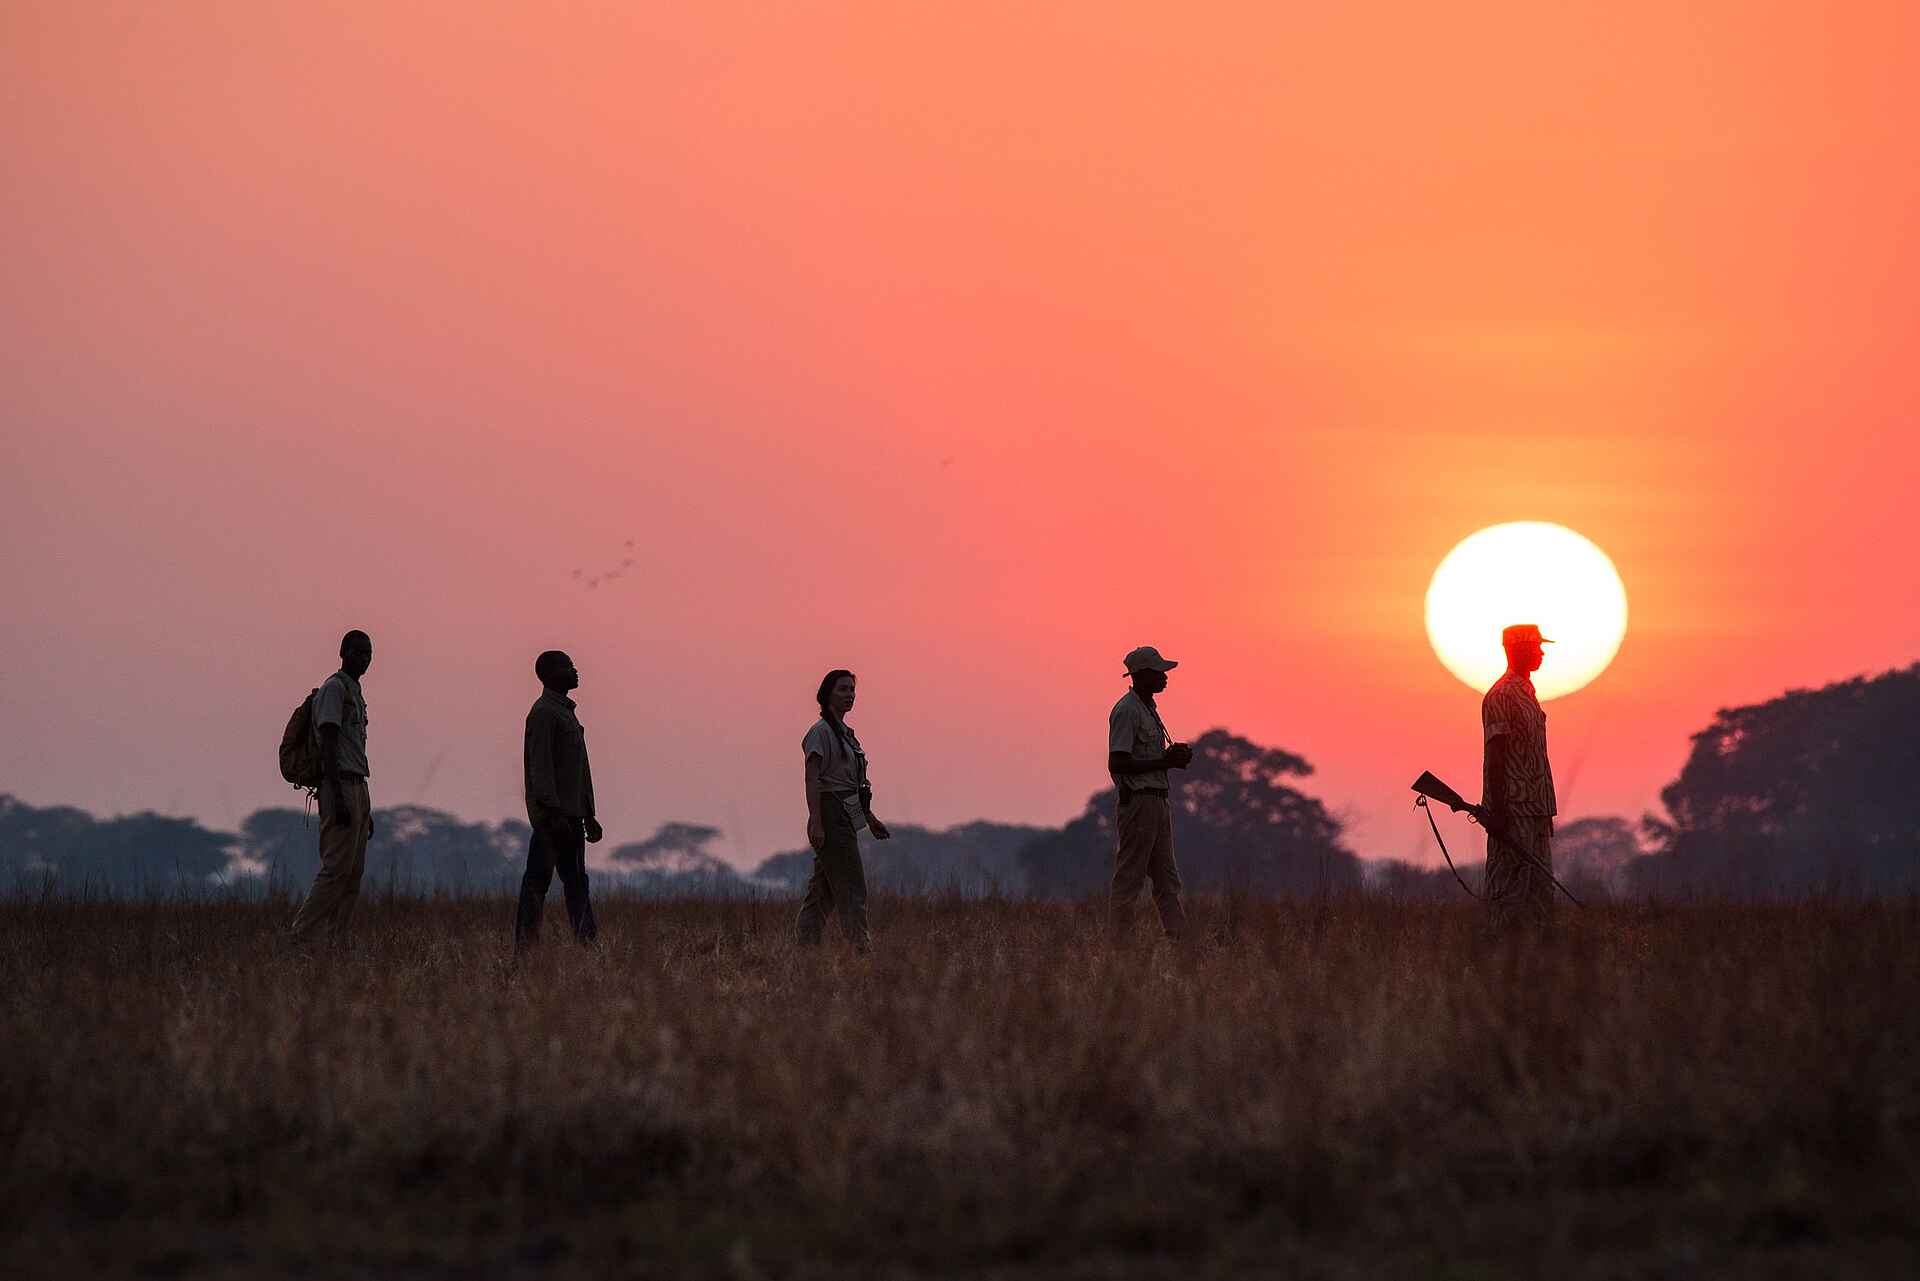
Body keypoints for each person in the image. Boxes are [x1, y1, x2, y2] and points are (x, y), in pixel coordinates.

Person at [289, 630, 375, 945]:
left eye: (368, 654)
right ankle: (301, 936)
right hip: (338, 786)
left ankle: (337, 942)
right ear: (342, 652)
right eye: (358, 652)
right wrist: (338, 797)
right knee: (335, 869)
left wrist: (366, 806)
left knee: (353, 874)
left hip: (358, 787)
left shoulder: (356, 691)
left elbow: (355, 750)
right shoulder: (334, 689)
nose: (364, 659)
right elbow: (327, 742)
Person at [796, 669, 891, 951]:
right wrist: (816, 820)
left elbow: (853, 785)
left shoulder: (846, 734)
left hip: (847, 811)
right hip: (830, 812)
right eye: (842, 689)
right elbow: (813, 778)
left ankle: (805, 952)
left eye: (852, 689)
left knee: (822, 892)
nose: (849, 695)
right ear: (827, 695)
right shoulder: (820, 733)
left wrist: (869, 819)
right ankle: (860, 951)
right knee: (852, 887)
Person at [515, 650, 602, 948]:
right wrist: (553, 816)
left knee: (578, 884)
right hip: (553, 821)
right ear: (550, 673)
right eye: (568, 666)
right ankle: (526, 952)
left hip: (573, 818)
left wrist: (589, 814)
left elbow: (579, 771)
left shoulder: (565, 712)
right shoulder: (543, 713)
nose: (575, 671)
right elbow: (540, 769)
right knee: (537, 884)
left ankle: (588, 946)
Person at [1107, 646, 1194, 942]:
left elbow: (1143, 759)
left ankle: (1182, 946)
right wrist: (1164, 762)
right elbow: (1117, 762)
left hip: (1157, 801)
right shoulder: (1126, 710)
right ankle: (1118, 950)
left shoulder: (1148, 709)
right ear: (1142, 675)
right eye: (1159, 672)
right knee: (1129, 877)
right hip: (1139, 803)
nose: (1165, 677)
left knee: (1167, 879)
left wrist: (1171, 756)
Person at [1476, 624, 1559, 933]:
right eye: (1535, 646)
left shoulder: (1527, 693)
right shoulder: (1500, 695)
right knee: (1507, 894)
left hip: (1536, 808)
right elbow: (1494, 754)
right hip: (1512, 810)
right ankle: (1499, 959)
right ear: (1518, 650)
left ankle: (1536, 962)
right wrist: (1497, 812)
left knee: (1540, 894)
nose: (1541, 652)